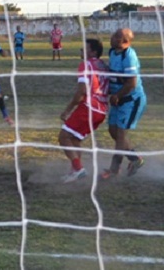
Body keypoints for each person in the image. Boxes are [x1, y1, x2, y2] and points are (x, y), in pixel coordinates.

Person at [59, 38, 109, 183]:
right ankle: (74, 171)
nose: (81, 51)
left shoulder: (85, 65)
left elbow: (81, 92)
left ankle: (79, 169)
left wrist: (67, 110)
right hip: (101, 110)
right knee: (74, 138)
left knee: (64, 137)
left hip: (89, 107)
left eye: (84, 48)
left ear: (93, 52)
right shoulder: (103, 66)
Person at [101, 28, 146, 179]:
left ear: (126, 41)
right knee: (112, 131)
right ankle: (135, 159)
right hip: (118, 99)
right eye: (114, 34)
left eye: (117, 36)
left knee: (120, 135)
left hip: (131, 100)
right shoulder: (112, 52)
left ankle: (114, 169)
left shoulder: (129, 56)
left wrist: (117, 95)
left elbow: (131, 83)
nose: (112, 37)